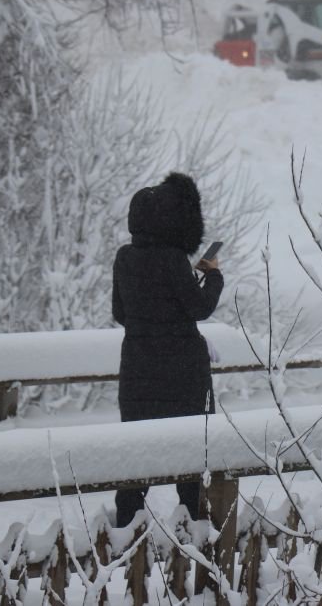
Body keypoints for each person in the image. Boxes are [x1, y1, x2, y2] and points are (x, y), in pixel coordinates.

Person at [111, 172, 224, 527]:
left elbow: (119, 313)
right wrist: (213, 276)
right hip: (182, 375)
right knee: (191, 453)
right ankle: (194, 526)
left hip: (138, 373)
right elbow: (199, 308)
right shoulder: (174, 260)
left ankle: (125, 529)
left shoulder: (125, 257)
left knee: (135, 455)